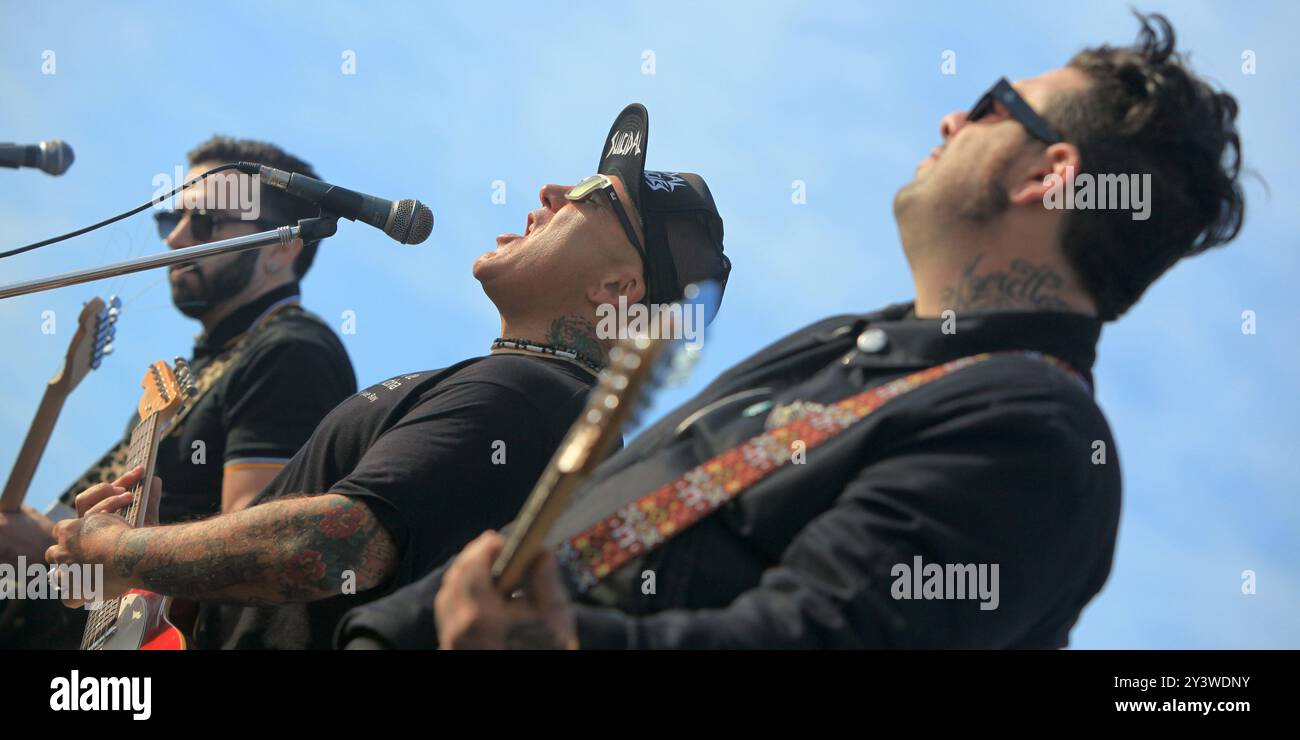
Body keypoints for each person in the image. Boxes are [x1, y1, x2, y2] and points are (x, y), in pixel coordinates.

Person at [338, 12, 1244, 649]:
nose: (950, 117)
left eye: (991, 104)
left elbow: (818, 639)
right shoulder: (842, 348)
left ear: (1049, 175)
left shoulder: (1036, 437)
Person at [45, 104, 733, 649]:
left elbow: (333, 548)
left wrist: (122, 550)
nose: (551, 190)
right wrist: (159, 554)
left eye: (590, 194)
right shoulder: (532, 398)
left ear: (618, 287)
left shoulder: (530, 397)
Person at [0, 136, 356, 648]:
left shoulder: (292, 352)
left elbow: (252, 547)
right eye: (173, 221)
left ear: (280, 248)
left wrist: (45, 548)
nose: (176, 240)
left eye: (206, 223)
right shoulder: (206, 361)